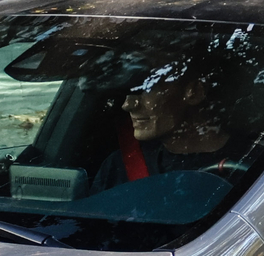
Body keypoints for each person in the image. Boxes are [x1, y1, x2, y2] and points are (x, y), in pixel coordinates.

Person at [88, 73, 232, 192]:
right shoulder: (118, 167)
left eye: (144, 89)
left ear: (195, 92)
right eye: (127, 93)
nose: (127, 105)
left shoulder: (248, 165)